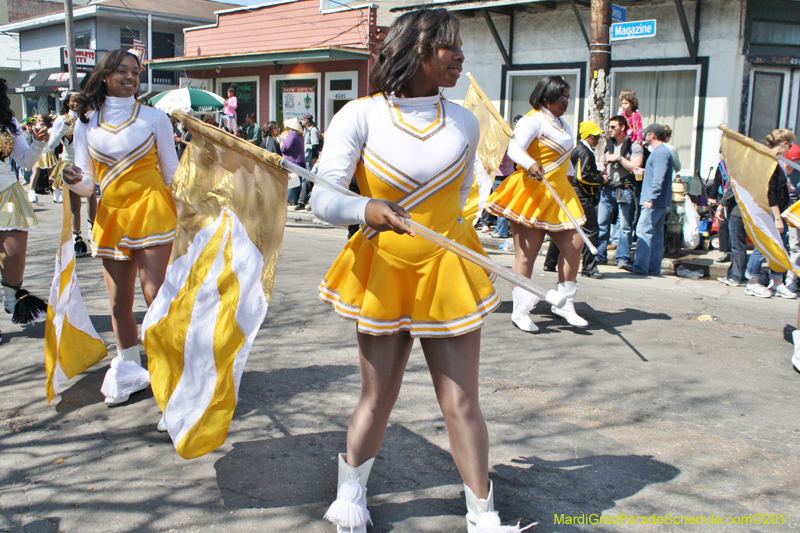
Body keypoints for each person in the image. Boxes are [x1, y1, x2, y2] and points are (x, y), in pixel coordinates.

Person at [310, 10, 527, 532]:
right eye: (448, 46)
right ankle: (351, 495)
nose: (460, 56)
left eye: (460, 47)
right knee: (378, 396)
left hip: (447, 268)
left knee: (461, 401)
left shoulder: (466, 121)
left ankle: (483, 514)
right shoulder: (359, 115)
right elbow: (322, 197)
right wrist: (367, 210)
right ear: (416, 47)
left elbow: (455, 203)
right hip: (384, 266)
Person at [62, 49, 179, 412]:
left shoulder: (155, 118)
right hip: (112, 216)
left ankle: (173, 382)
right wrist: (73, 179)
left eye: (136, 72)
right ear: (106, 75)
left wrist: (197, 206)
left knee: (156, 297)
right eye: (123, 71)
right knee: (118, 302)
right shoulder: (87, 122)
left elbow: (172, 173)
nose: (131, 77)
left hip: (153, 211)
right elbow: (87, 184)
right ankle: (129, 369)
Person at [485, 75, 589, 331]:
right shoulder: (532, 120)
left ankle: (564, 304)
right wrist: (530, 163)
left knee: (575, 246)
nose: (566, 101)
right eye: (561, 97)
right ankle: (521, 310)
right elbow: (514, 148)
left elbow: (565, 160)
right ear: (545, 97)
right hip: (532, 192)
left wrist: (571, 180)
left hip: (560, 193)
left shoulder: (563, 123)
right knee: (527, 254)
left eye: (568, 97)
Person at [0, 77, 50, 342]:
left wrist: (40, 142)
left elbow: (26, 161)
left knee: (14, 252)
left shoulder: (9, 123)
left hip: (6, 191)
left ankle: (11, 296)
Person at [543, 121, 607, 279]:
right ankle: (589, 268)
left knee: (564, 227)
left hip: (574, 193)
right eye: (595, 136)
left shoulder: (580, 150)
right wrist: (601, 178)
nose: (597, 139)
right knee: (591, 230)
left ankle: (550, 262)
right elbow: (582, 176)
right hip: (581, 196)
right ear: (588, 136)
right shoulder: (584, 151)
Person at [742, 129, 796, 299]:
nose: (790, 150)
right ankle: (752, 282)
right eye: (790, 146)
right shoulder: (770, 161)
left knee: (777, 247)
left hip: (778, 210)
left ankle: (777, 282)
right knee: (763, 245)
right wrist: (777, 217)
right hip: (772, 211)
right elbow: (770, 191)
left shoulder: (773, 160)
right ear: (785, 144)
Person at [49, 91, 97, 255]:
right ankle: (78, 237)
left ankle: (93, 232)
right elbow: (51, 144)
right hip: (70, 162)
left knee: (92, 196)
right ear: (67, 102)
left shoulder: (90, 117)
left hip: (88, 162)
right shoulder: (62, 119)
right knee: (74, 203)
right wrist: (64, 128)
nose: (75, 104)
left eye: (78, 101)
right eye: (72, 101)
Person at [598, 115, 644, 270]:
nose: (610, 130)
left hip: (625, 188)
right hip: (608, 188)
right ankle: (599, 255)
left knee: (625, 225)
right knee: (602, 223)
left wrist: (618, 158)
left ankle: (622, 258)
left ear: (623, 128)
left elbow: (636, 167)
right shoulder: (607, 145)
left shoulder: (634, 146)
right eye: (609, 127)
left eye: (613, 127)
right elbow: (602, 164)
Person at [627, 123, 673, 276]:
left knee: (643, 232)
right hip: (658, 201)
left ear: (652, 135)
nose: (644, 136)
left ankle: (640, 267)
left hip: (653, 201)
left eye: (646, 133)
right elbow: (658, 174)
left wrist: (650, 198)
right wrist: (646, 172)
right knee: (656, 236)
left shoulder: (660, 153)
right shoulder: (661, 152)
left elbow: (659, 178)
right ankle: (653, 268)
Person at [28, 113, 56, 202]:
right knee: (35, 172)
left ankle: (56, 193)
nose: (39, 121)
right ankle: (31, 192)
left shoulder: (50, 130)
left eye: (41, 119)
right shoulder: (35, 128)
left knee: (52, 174)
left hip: (47, 152)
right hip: (39, 152)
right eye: (38, 119)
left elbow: (50, 140)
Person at [295, 113, 321, 211]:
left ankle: (309, 200)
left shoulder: (313, 130)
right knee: (305, 179)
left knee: (309, 179)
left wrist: (314, 157)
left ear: (307, 120)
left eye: (303, 119)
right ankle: (304, 200)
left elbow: (315, 145)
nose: (301, 121)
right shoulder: (305, 131)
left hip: (310, 158)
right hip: (305, 157)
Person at [281, 117, 304, 205]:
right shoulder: (299, 135)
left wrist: (282, 146)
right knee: (298, 181)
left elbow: (287, 146)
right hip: (299, 160)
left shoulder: (292, 134)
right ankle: (297, 199)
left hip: (292, 161)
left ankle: (291, 199)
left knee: (291, 180)